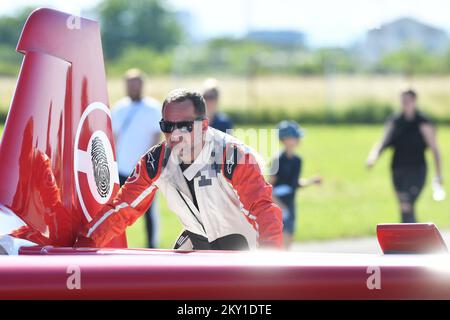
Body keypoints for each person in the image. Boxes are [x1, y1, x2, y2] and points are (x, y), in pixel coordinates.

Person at [75, 89, 283, 250]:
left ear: (203, 125)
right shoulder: (155, 161)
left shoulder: (234, 156)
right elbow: (122, 208)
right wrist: (82, 246)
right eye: (167, 126)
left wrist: (270, 260)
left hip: (244, 248)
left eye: (184, 126)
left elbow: (263, 210)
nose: (174, 134)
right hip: (196, 242)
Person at [366, 89, 443, 223]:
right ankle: (413, 237)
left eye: (408, 101)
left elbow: (435, 149)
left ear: (414, 101)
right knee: (404, 206)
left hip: (417, 170)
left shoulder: (423, 123)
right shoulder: (395, 121)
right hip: (398, 169)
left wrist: (438, 175)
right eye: (403, 101)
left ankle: (410, 237)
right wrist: (373, 157)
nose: (405, 103)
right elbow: (383, 141)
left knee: (407, 204)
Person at [111, 68, 161, 248]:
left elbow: (157, 136)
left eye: (136, 83)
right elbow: (113, 137)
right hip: (121, 168)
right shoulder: (119, 108)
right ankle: (116, 244)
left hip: (144, 170)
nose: (133, 87)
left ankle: (152, 246)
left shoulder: (153, 108)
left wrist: (149, 162)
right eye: (129, 83)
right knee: (117, 210)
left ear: (142, 85)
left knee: (149, 211)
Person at [269, 121, 322, 249]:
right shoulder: (277, 160)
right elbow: (269, 188)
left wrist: (311, 181)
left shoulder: (297, 161)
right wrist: (280, 207)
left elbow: (294, 184)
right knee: (278, 241)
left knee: (289, 238)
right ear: (285, 139)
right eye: (294, 137)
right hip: (279, 204)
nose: (297, 140)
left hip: (290, 204)